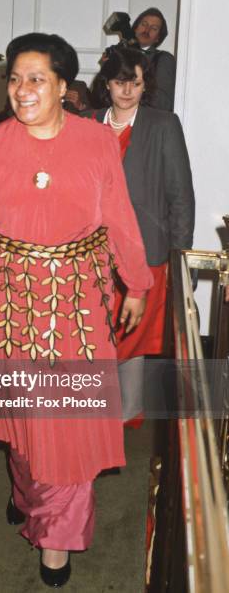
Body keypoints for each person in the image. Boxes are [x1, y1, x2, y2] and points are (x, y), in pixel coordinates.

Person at [0, 32, 153, 587]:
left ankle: (57, 538)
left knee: (67, 424)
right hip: (8, 302)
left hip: (79, 307)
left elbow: (120, 216)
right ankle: (29, 495)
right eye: (14, 78)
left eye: (36, 79)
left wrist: (135, 282)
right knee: (25, 419)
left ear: (63, 85)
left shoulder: (96, 142)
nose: (23, 89)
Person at [93, 46, 194, 422]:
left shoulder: (163, 124)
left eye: (135, 82)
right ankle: (98, 412)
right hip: (91, 253)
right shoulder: (86, 123)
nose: (128, 90)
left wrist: (179, 261)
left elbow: (181, 197)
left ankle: (125, 412)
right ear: (107, 84)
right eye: (120, 82)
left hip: (146, 252)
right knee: (96, 335)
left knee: (133, 336)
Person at [132, 7, 176, 111]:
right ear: (135, 28)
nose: (146, 30)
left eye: (154, 28)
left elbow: (162, 103)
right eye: (144, 24)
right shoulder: (119, 54)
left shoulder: (164, 59)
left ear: (158, 38)